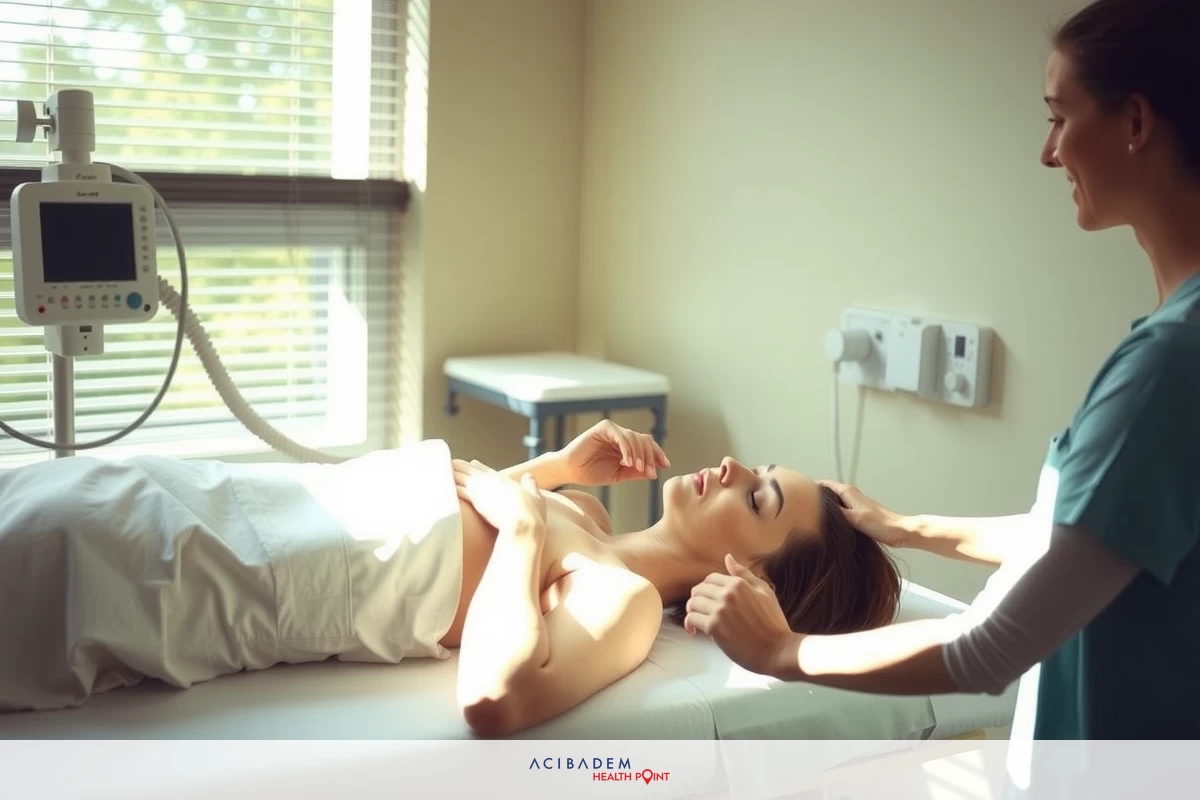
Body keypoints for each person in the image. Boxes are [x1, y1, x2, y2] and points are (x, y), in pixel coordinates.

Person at [683, 0, 1200, 740]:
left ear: (1136, 122)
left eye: (1059, 117)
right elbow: (1089, 540)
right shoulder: (1173, 351)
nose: (1049, 152)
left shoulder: (1167, 369)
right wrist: (906, 527)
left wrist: (782, 650)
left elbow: (989, 648)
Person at [0, 418, 900, 736]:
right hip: (191, 497)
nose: (734, 466)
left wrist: (526, 524)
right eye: (760, 469)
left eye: (758, 496)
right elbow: (465, 508)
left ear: (748, 572)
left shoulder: (621, 600)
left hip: (178, 563)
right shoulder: (588, 525)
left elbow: (496, 699)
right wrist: (556, 471)